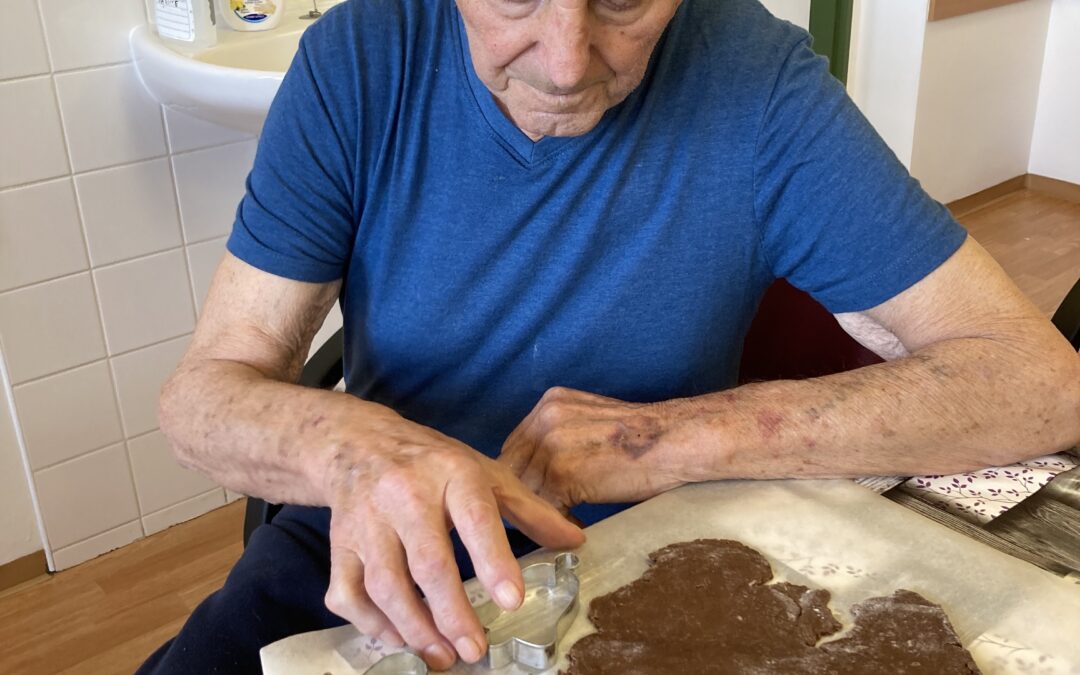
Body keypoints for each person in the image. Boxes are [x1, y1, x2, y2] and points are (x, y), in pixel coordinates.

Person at [140, 0, 1080, 672]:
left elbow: (1041, 382)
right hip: (372, 554)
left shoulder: (758, 79)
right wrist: (354, 449)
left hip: (661, 558)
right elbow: (203, 399)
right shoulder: (359, 59)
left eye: (624, 1)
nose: (566, 62)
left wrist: (657, 438)